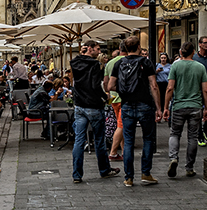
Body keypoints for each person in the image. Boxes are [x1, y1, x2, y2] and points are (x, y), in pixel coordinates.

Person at [109, 34, 163, 187]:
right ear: (138, 47)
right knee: (147, 139)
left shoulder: (119, 64)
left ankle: (129, 177)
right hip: (145, 105)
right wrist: (158, 108)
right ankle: (146, 173)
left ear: (125, 49)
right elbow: (153, 85)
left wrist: (124, 91)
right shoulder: (146, 62)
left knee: (128, 141)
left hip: (126, 105)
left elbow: (110, 86)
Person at [69, 40, 118, 183]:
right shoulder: (95, 65)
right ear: (90, 49)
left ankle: (77, 174)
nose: (99, 51)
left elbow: (75, 61)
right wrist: (105, 96)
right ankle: (104, 170)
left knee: (79, 140)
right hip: (94, 105)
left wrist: (81, 53)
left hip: (79, 106)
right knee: (99, 140)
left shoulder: (75, 63)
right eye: (97, 49)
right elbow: (96, 85)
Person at [163, 42, 207, 179]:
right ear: (194, 52)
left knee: (175, 133)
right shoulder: (200, 67)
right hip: (195, 106)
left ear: (181, 52)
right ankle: (189, 167)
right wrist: (206, 108)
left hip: (178, 106)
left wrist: (166, 107)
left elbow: (170, 88)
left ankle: (173, 158)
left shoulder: (175, 66)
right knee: (192, 137)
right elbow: (205, 90)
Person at [103, 41, 125, 159]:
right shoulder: (128, 61)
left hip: (113, 98)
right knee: (121, 126)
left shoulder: (110, 63)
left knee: (120, 124)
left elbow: (106, 82)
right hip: (124, 97)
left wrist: (108, 93)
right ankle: (113, 152)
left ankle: (124, 151)